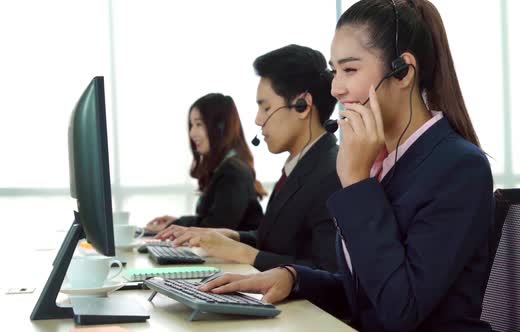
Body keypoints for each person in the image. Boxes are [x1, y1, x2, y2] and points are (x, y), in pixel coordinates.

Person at [198, 1, 495, 331]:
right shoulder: (382, 162)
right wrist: (294, 277)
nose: (335, 88)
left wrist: (355, 182)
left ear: (404, 72)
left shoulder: (457, 168)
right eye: (334, 70)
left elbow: (401, 309)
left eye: (350, 70)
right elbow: (368, 291)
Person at [157, 44, 341, 272]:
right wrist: (231, 236)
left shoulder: (333, 172)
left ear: (302, 106)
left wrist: (243, 253)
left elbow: (330, 272)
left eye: (265, 108)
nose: (257, 120)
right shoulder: (300, 164)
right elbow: (273, 241)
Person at [145, 93, 266, 233]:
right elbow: (212, 220)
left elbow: (215, 229)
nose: (192, 132)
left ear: (220, 128)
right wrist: (176, 223)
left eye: (199, 124)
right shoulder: (225, 167)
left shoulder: (233, 171)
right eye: (191, 125)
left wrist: (177, 225)